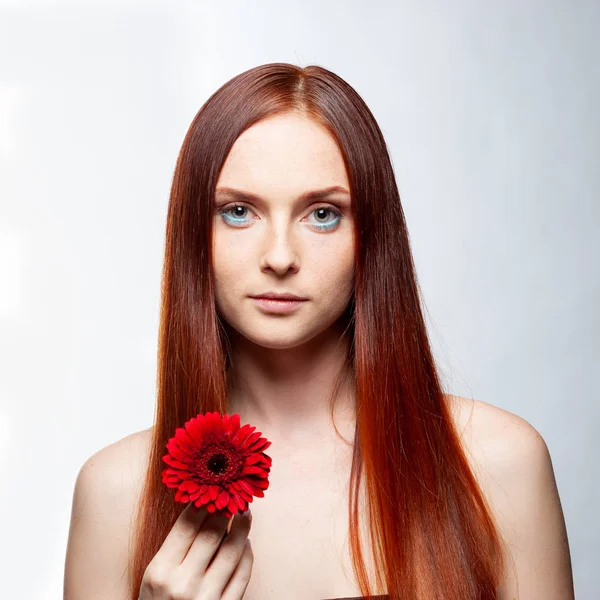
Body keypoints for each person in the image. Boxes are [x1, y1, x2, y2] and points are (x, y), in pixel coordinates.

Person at [63, 63, 574, 600]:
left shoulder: (500, 463)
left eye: (323, 214)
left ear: (372, 235)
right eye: (238, 212)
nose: (280, 256)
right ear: (195, 232)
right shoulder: (115, 495)